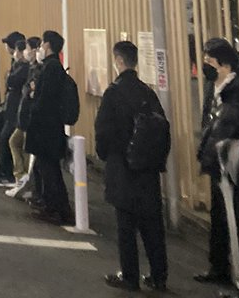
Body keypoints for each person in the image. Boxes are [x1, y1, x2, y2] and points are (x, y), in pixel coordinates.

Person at [95, 39, 169, 293]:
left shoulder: (114, 93)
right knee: (152, 225)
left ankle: (130, 277)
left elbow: (103, 132)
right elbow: (162, 129)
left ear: (118, 61)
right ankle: (159, 276)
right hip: (148, 170)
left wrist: (106, 155)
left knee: (126, 226)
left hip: (122, 167)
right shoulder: (148, 92)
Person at [196, 37, 239, 295]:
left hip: (238, 167)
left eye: (210, 61)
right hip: (220, 166)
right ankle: (219, 267)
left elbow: (230, 129)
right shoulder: (214, 88)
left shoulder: (238, 93)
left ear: (225, 64)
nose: (205, 66)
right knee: (220, 217)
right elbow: (210, 123)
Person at [25, 29, 72, 225]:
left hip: (46, 129)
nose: (40, 47)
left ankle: (56, 209)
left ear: (48, 45)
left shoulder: (51, 68)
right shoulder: (54, 67)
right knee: (49, 170)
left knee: (50, 171)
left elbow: (45, 100)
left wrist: (34, 97)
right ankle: (56, 208)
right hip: (51, 128)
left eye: (42, 43)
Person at [0, 36, 29, 186]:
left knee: (9, 139)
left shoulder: (24, 68)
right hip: (11, 108)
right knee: (3, 135)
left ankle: (12, 175)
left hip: (17, 111)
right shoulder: (18, 65)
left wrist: (9, 77)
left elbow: (11, 80)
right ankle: (4, 170)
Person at [7, 36, 41, 198]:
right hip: (24, 115)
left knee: (24, 148)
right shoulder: (32, 68)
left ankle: (25, 182)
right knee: (14, 142)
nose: (25, 52)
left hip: (30, 118)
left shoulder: (37, 69)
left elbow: (21, 86)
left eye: (27, 48)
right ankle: (21, 178)